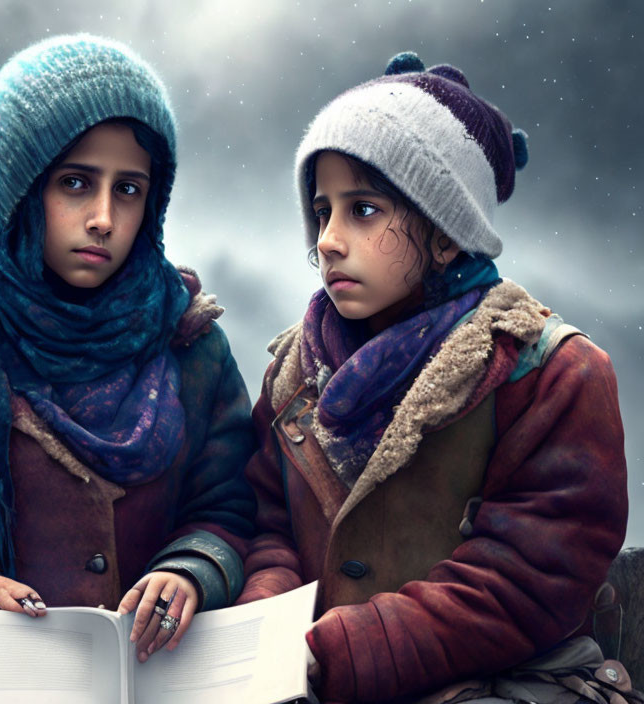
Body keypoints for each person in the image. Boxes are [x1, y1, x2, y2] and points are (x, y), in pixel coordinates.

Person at [0, 34, 255, 703]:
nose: (103, 218)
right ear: (18, 188)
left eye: (129, 190)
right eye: (74, 183)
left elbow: (231, 502)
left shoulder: (188, 341)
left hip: (152, 669)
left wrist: (193, 571)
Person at [237, 52, 639, 703]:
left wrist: (347, 649)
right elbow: (267, 527)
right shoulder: (292, 378)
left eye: (363, 210)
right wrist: (265, 622)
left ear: (446, 233)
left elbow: (529, 578)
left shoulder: (554, 373)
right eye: (322, 211)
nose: (329, 240)